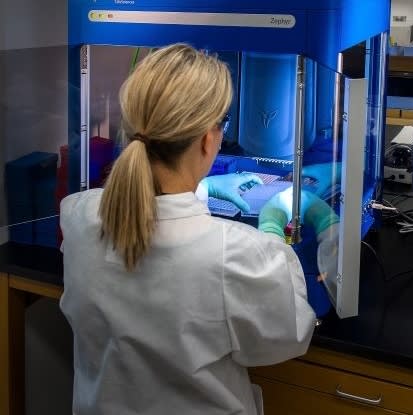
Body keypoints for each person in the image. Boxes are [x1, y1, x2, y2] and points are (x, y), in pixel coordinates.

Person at [59, 44, 329, 415]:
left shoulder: (78, 217)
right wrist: (270, 228)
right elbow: (287, 337)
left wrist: (201, 188)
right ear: (208, 138)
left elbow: (148, 212)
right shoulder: (237, 255)